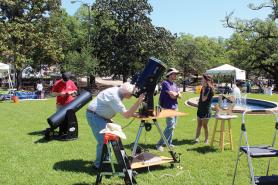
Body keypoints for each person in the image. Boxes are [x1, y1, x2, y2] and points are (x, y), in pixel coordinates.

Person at [86, 82, 145, 170]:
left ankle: (106, 161)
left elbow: (122, 111)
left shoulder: (117, 91)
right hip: (95, 116)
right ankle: (98, 166)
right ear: (126, 93)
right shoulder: (115, 97)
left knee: (107, 140)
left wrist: (135, 114)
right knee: (103, 141)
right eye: (132, 94)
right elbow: (126, 115)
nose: (133, 95)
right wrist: (138, 102)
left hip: (99, 116)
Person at [156, 68, 181, 151]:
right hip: (168, 107)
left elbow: (179, 96)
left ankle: (169, 143)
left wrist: (176, 94)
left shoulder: (174, 84)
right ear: (170, 75)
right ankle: (159, 144)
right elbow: (172, 96)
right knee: (170, 126)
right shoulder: (165, 83)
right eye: (174, 74)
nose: (176, 75)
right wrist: (176, 94)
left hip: (175, 107)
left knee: (173, 126)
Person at [195, 74, 214, 144]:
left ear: (206, 80)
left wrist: (202, 91)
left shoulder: (208, 88)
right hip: (200, 108)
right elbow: (201, 99)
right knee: (199, 124)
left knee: (204, 126)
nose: (201, 80)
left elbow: (203, 99)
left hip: (206, 110)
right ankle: (196, 138)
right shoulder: (203, 87)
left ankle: (206, 140)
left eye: (202, 79)